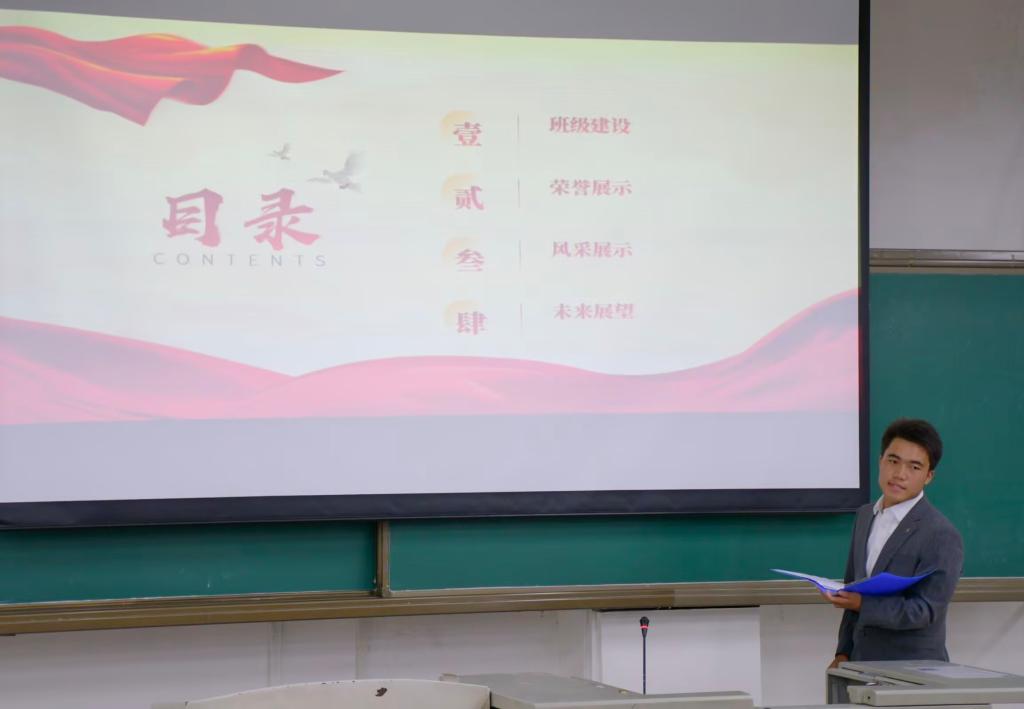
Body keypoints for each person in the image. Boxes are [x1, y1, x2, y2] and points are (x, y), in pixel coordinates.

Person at [827, 418, 964, 666]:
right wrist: (843, 652)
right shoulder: (864, 515)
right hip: (860, 666)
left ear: (929, 476)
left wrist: (863, 605)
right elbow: (852, 588)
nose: (900, 474)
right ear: (881, 461)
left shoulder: (941, 534)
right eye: (893, 461)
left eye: (914, 467)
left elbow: (926, 611)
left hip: (914, 671)